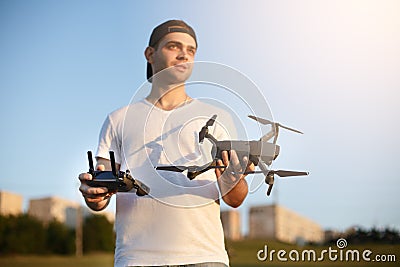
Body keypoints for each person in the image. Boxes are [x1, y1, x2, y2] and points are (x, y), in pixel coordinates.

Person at [78, 19, 254, 267]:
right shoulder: (118, 119)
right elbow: (102, 189)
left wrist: (231, 180)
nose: (184, 54)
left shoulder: (217, 118)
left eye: (191, 50)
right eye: (174, 46)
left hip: (205, 257)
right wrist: (94, 196)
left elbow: (235, 199)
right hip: (137, 258)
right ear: (150, 54)